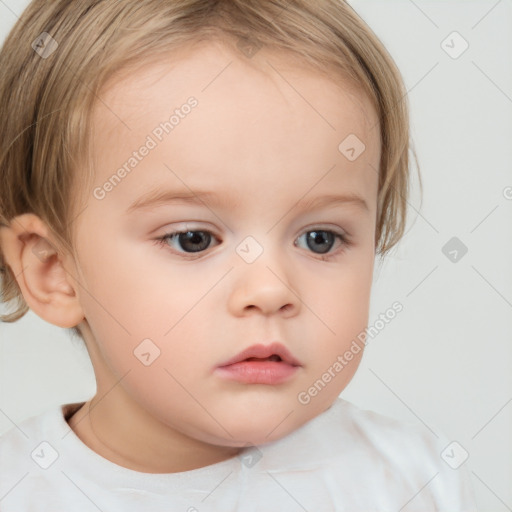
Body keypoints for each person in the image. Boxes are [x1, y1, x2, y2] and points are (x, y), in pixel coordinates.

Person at [0, 0, 477, 510]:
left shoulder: (411, 482)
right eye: (194, 239)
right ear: (55, 271)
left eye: (321, 238)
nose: (271, 289)